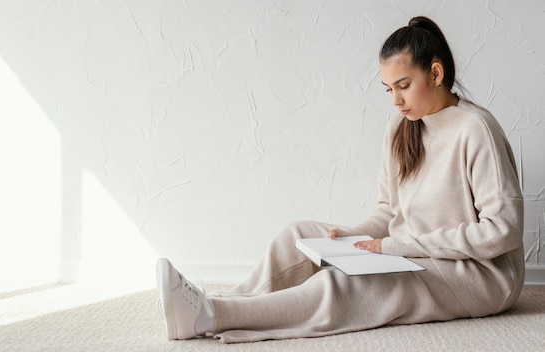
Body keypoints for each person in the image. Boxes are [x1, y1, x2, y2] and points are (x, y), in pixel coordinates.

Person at [156, 16, 525, 343]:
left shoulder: (476, 130)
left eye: (403, 85)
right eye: (388, 89)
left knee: (352, 283)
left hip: (479, 276)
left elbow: (503, 231)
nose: (395, 100)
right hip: (411, 251)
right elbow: (389, 211)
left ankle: (211, 316)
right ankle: (221, 301)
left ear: (436, 73)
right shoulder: (402, 125)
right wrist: (358, 237)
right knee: (298, 235)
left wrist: (400, 247)